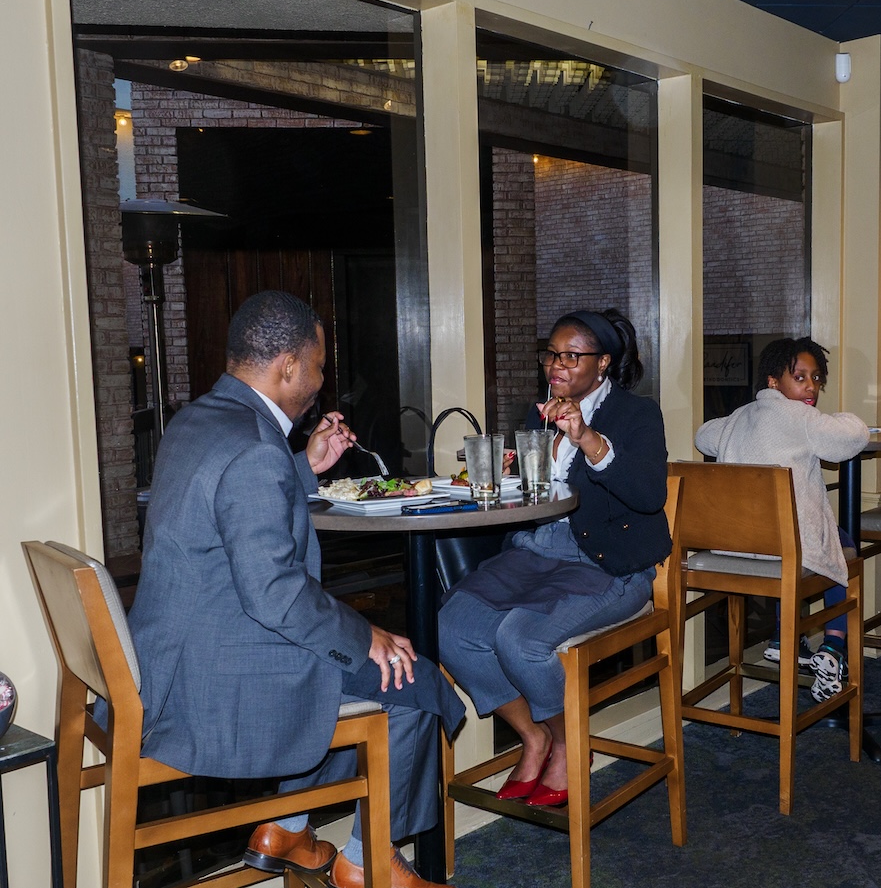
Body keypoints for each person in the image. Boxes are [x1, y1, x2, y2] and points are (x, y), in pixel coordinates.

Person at [127, 290, 464, 888]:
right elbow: (275, 594)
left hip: (170, 660)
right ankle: (367, 862)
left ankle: (286, 827)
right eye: (318, 366)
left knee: (347, 659)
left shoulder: (196, 420)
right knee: (412, 682)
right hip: (215, 687)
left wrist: (304, 465)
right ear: (288, 367)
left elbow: (230, 502)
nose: (321, 380)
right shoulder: (255, 448)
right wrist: (365, 636)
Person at [438, 309, 670, 806]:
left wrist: (587, 438)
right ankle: (535, 736)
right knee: (450, 627)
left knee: (519, 639)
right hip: (536, 552)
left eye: (571, 356)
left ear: (602, 363)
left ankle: (568, 744)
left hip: (607, 563)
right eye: (551, 355)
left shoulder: (636, 414)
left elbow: (649, 495)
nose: (556, 366)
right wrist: (508, 478)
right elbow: (541, 496)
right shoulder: (540, 413)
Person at [694, 336, 868, 702]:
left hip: (738, 546)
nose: (811, 387)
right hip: (784, 548)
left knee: (786, 541)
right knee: (841, 546)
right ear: (774, 382)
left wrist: (740, 423)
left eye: (816, 378)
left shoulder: (740, 416)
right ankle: (834, 647)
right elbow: (851, 438)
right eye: (800, 377)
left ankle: (785, 638)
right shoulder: (804, 418)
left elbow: (703, 436)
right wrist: (843, 418)